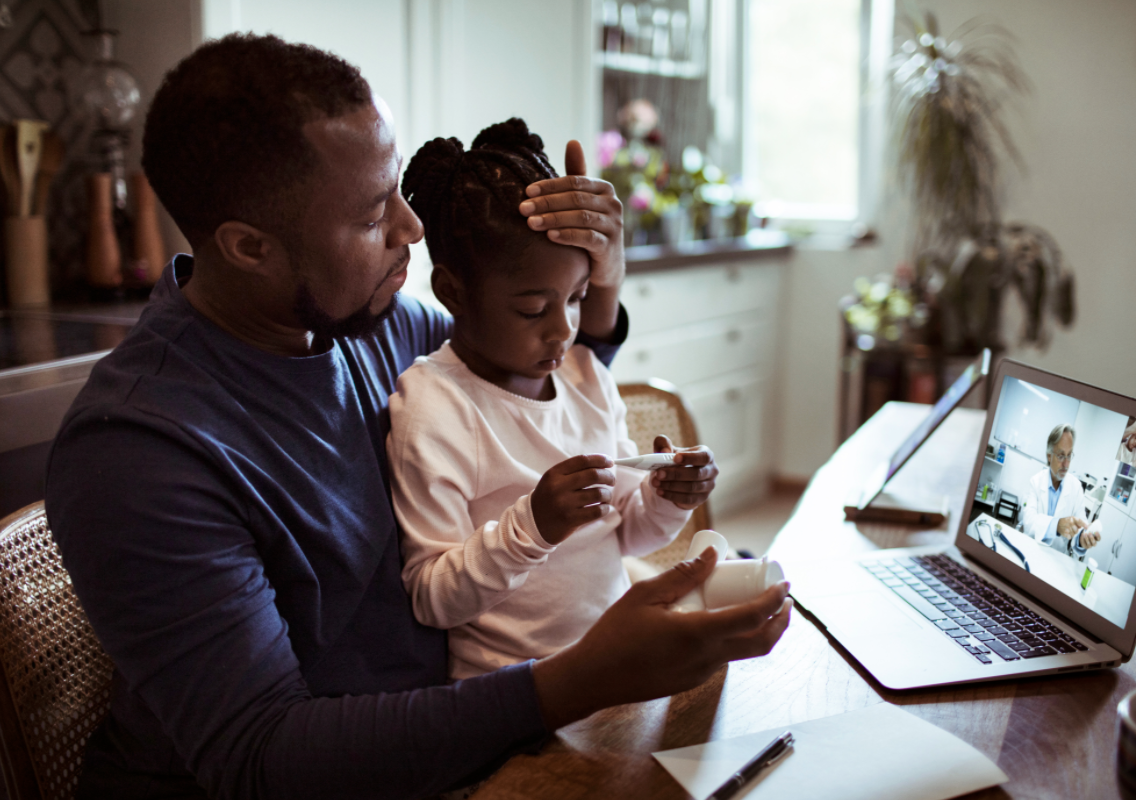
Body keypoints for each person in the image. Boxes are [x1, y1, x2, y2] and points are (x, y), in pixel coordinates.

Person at [44, 34, 791, 800]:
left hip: (471, 746)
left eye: (398, 190)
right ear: (249, 247)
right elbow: (263, 758)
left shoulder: (375, 325)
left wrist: (600, 279)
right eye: (373, 216)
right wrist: (576, 680)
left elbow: (531, 396)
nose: (411, 228)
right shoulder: (139, 452)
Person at [390, 120, 715, 680]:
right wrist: (533, 526)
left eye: (577, 299)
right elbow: (431, 598)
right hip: (513, 696)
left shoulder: (586, 376)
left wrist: (668, 499)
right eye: (532, 309)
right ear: (452, 292)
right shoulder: (434, 407)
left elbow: (628, 536)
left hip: (615, 665)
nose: (563, 331)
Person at [1021, 424, 1101, 557]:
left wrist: (1082, 539)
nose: (1066, 464)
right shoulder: (1035, 482)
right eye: (1061, 456)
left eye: (1069, 456)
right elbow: (1029, 522)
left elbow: (1080, 525)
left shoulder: (1076, 488)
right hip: (1031, 551)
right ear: (1049, 456)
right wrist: (1056, 525)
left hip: (1056, 559)